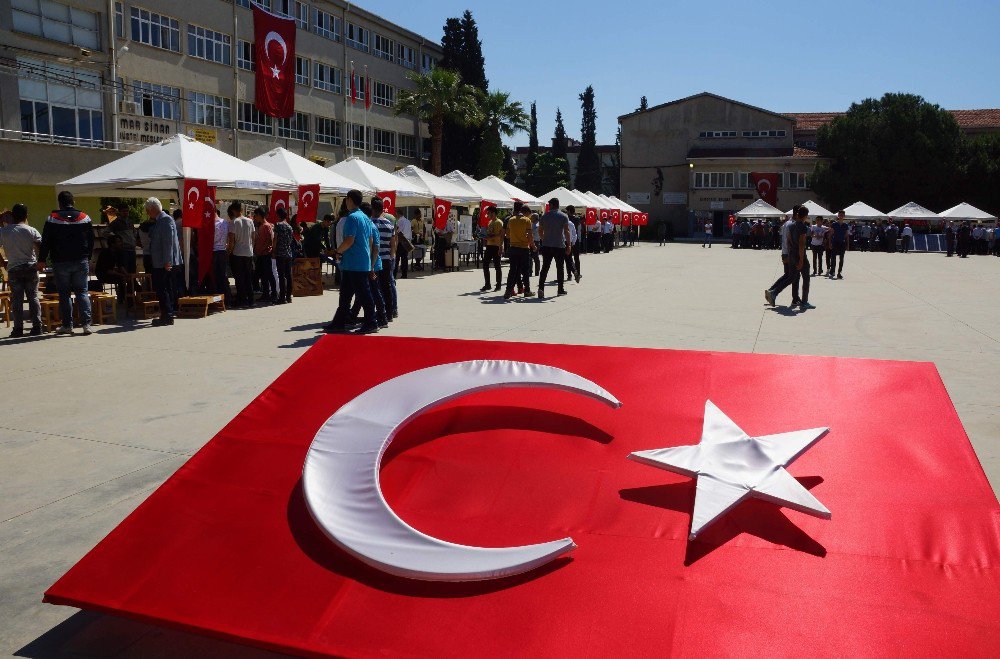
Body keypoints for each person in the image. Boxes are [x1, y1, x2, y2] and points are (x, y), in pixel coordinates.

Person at [40, 191, 94, 335]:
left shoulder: (52, 218)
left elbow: (46, 241)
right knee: (82, 292)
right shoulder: (84, 218)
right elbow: (91, 239)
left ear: (60, 203)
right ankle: (86, 325)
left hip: (60, 262)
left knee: (64, 294)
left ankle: (67, 325)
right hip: (81, 260)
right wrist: (88, 256)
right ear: (73, 202)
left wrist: (41, 259)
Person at [327, 190, 377, 334]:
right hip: (358, 262)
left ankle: (371, 322)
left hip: (354, 263)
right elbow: (370, 241)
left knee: (361, 295)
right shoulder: (365, 218)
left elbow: (349, 240)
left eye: (346, 200)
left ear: (349, 200)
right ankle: (339, 321)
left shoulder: (352, 218)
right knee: (347, 295)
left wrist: (338, 251)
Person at [0, 203, 43, 337]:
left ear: (13, 216)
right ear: (26, 216)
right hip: (30, 267)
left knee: (17, 300)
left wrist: (3, 263)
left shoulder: (3, 232)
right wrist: (39, 262)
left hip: (13, 268)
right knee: (33, 298)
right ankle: (37, 327)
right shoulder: (31, 230)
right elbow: (41, 247)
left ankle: (18, 329)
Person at [146, 197, 181, 326]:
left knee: (163, 289)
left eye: (148, 210)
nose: (147, 213)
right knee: (164, 288)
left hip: (163, 263)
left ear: (153, 209)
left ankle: (167, 316)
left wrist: (167, 261)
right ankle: (167, 314)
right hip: (161, 262)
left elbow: (168, 243)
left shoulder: (165, 220)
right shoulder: (160, 220)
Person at [764, 209, 802, 308]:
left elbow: (783, 240)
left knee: (789, 275)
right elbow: (788, 241)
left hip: (785, 253)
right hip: (789, 254)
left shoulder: (787, 223)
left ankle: (772, 291)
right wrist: (788, 255)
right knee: (792, 277)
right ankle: (774, 292)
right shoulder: (792, 225)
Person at [537, 198, 572, 299]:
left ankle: (541, 288)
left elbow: (540, 230)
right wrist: (569, 244)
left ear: (552, 205)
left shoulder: (544, 216)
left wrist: (543, 239)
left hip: (547, 245)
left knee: (545, 268)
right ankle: (560, 289)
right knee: (560, 268)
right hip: (559, 245)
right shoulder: (563, 216)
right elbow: (566, 231)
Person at [372, 197, 398, 319]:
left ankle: (379, 312)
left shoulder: (370, 223)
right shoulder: (389, 224)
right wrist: (391, 257)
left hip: (375, 260)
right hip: (387, 259)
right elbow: (393, 244)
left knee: (375, 288)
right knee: (387, 286)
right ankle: (389, 312)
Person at [503, 202, 534, 300]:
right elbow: (530, 235)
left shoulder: (510, 220)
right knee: (525, 270)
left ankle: (508, 291)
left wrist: (514, 237)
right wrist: (531, 244)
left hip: (513, 248)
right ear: (522, 209)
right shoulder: (527, 220)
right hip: (524, 248)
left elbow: (507, 235)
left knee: (512, 270)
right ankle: (527, 291)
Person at [229, 203, 256, 307]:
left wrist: (229, 252)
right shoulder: (250, 221)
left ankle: (242, 299)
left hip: (238, 252)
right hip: (248, 252)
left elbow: (232, 240)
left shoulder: (234, 222)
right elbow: (253, 237)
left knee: (239, 278)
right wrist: (251, 248)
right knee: (248, 277)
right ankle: (251, 299)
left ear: (233, 211)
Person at [106, 206, 137, 274]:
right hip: (123, 250)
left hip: (132, 249)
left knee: (133, 270)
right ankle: (125, 284)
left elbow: (134, 232)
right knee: (124, 271)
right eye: (123, 211)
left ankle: (132, 284)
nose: (126, 213)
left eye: (127, 211)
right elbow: (105, 232)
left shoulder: (130, 222)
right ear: (119, 212)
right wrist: (116, 240)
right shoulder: (115, 223)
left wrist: (134, 238)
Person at [272, 208, 294, 304]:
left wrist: (273, 250)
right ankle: (289, 296)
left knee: (281, 275)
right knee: (288, 275)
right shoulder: (289, 227)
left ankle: (282, 297)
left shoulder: (277, 225)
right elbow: (291, 240)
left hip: (280, 253)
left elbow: (275, 239)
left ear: (278, 215)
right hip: (288, 252)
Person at [210, 204, 232, 301]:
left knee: (216, 276)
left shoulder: (213, 224)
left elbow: (213, 239)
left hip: (215, 251)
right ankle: (227, 298)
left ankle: (220, 298)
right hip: (223, 250)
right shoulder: (225, 222)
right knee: (223, 275)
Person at [480, 205, 504, 292]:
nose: (487, 214)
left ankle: (498, 285)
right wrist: (484, 237)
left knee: (497, 266)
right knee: (485, 265)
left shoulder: (499, 222)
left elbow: (500, 235)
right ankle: (487, 284)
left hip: (496, 246)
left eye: (489, 213)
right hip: (489, 246)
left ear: (493, 213)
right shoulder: (490, 222)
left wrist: (500, 247)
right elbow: (490, 234)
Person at [828, 210, 850, 279]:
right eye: (840, 215)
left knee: (841, 259)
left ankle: (839, 273)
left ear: (844, 216)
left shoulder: (845, 225)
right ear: (838, 216)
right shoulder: (834, 224)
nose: (841, 216)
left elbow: (847, 236)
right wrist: (829, 243)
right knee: (833, 258)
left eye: (842, 215)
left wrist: (848, 245)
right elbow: (830, 235)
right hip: (835, 242)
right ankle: (832, 271)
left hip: (842, 243)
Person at [394, 210, 414, 279]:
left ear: (397, 214)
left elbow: (398, 231)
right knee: (404, 259)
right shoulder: (408, 221)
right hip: (407, 241)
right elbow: (410, 232)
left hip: (401, 241)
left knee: (397, 259)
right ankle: (404, 274)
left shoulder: (400, 221)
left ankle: (394, 274)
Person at [566, 205, 583, 283]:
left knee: (568, 257)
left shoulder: (567, 219)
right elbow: (579, 228)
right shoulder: (577, 218)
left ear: (569, 211)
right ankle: (578, 273)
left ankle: (569, 274)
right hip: (576, 239)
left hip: (568, 238)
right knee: (576, 257)